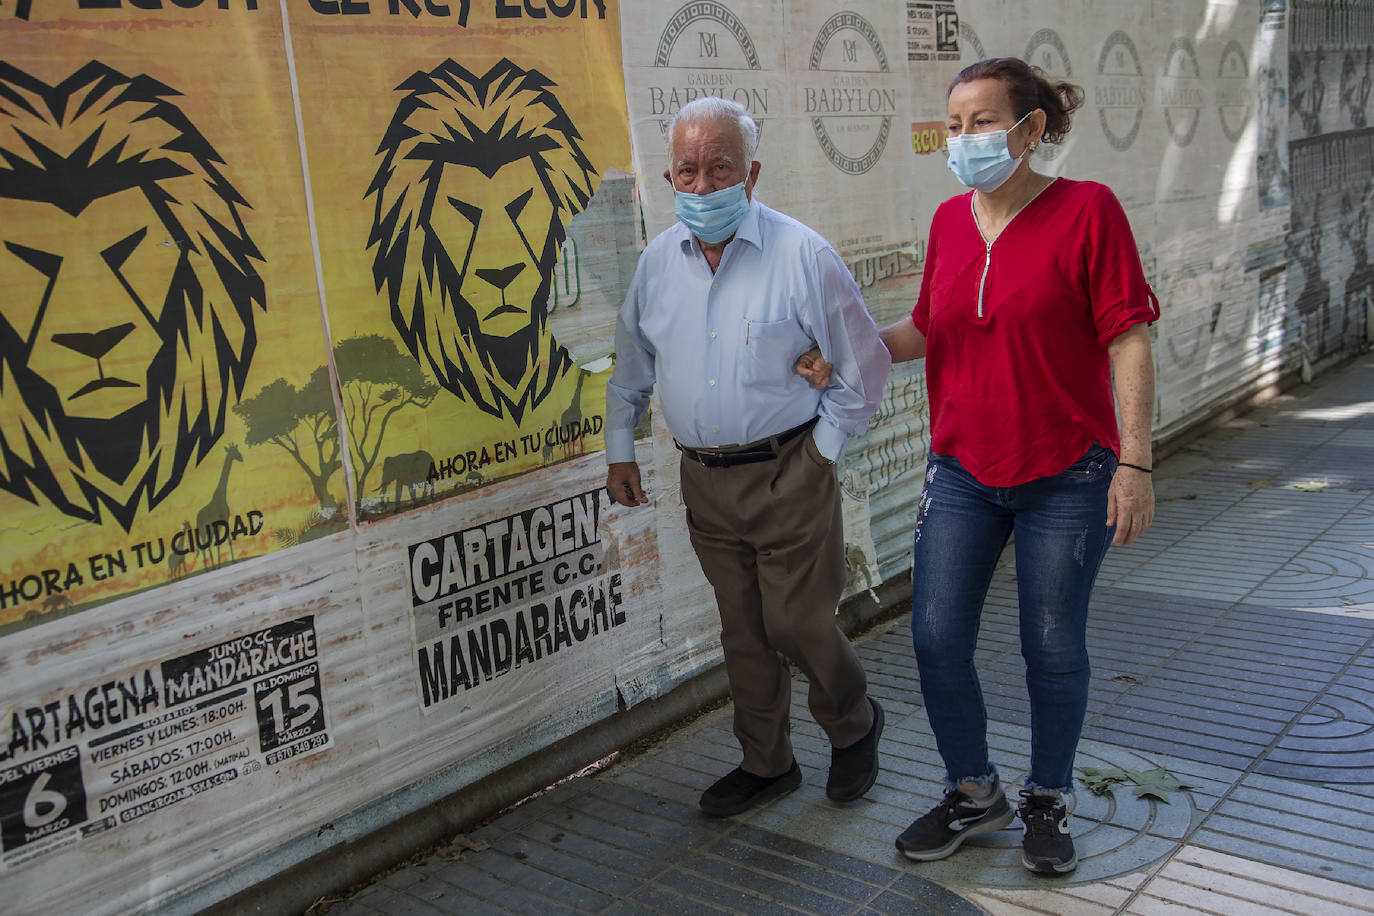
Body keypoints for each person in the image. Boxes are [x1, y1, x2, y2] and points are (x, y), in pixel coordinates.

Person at [798, 58, 1158, 874]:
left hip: (1069, 471)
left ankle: (1048, 797)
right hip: (963, 469)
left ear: (1031, 131)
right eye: (954, 125)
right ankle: (974, 790)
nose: (963, 139)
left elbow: (1128, 334)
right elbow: (930, 326)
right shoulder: (950, 222)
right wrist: (846, 356)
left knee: (1052, 645)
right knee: (934, 636)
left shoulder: (1087, 212)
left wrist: (1135, 460)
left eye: (982, 123)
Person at [605, 96, 892, 817]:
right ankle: (768, 764)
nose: (703, 187)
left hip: (788, 469)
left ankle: (854, 724)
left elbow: (866, 366)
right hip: (704, 478)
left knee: (796, 622)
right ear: (669, 178)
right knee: (743, 630)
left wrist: (821, 452)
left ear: (752, 173)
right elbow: (632, 367)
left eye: (721, 167)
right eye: (688, 171)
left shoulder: (803, 256)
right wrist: (621, 450)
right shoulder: (655, 265)